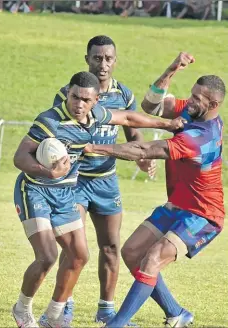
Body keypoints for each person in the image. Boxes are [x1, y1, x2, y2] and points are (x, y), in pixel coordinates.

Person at [12, 71, 184, 328]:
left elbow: (126, 117)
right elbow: (20, 157)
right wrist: (48, 171)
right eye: (74, 97)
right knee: (47, 256)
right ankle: (22, 309)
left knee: (79, 255)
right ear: (67, 93)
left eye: (85, 100)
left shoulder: (96, 115)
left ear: (95, 101)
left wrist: (167, 125)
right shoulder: (50, 121)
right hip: (36, 190)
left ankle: (55, 314)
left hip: (65, 193)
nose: (78, 104)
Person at [83, 53, 226, 327]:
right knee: (132, 252)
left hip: (203, 215)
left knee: (152, 259)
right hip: (177, 205)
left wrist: (93, 148)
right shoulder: (192, 111)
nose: (191, 100)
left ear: (214, 104)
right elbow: (152, 104)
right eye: (192, 94)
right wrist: (172, 69)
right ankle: (177, 313)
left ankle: (117, 324)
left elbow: (142, 148)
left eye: (198, 98)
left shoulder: (201, 138)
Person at [53, 35, 156, 324]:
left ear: (115, 60)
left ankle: (106, 309)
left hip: (106, 182)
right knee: (74, 248)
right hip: (74, 181)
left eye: (109, 58)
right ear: (87, 58)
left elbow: (133, 132)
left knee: (111, 246)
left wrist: (143, 155)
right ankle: (65, 305)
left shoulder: (124, 95)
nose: (103, 64)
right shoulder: (68, 94)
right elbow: (62, 133)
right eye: (97, 58)